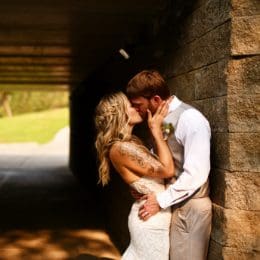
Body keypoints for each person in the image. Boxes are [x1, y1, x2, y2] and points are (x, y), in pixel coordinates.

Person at [126, 69, 212, 260]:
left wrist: (160, 200)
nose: (135, 109)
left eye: (138, 104)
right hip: (173, 205)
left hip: (190, 209)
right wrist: (145, 185)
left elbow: (197, 173)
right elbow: (164, 158)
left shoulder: (191, 120)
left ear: (156, 99)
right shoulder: (162, 121)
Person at [94, 91, 176, 260]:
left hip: (152, 217)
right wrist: (155, 130)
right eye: (130, 106)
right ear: (120, 113)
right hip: (150, 223)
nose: (136, 108)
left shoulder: (132, 142)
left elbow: (156, 169)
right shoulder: (122, 148)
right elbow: (167, 170)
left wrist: (164, 126)